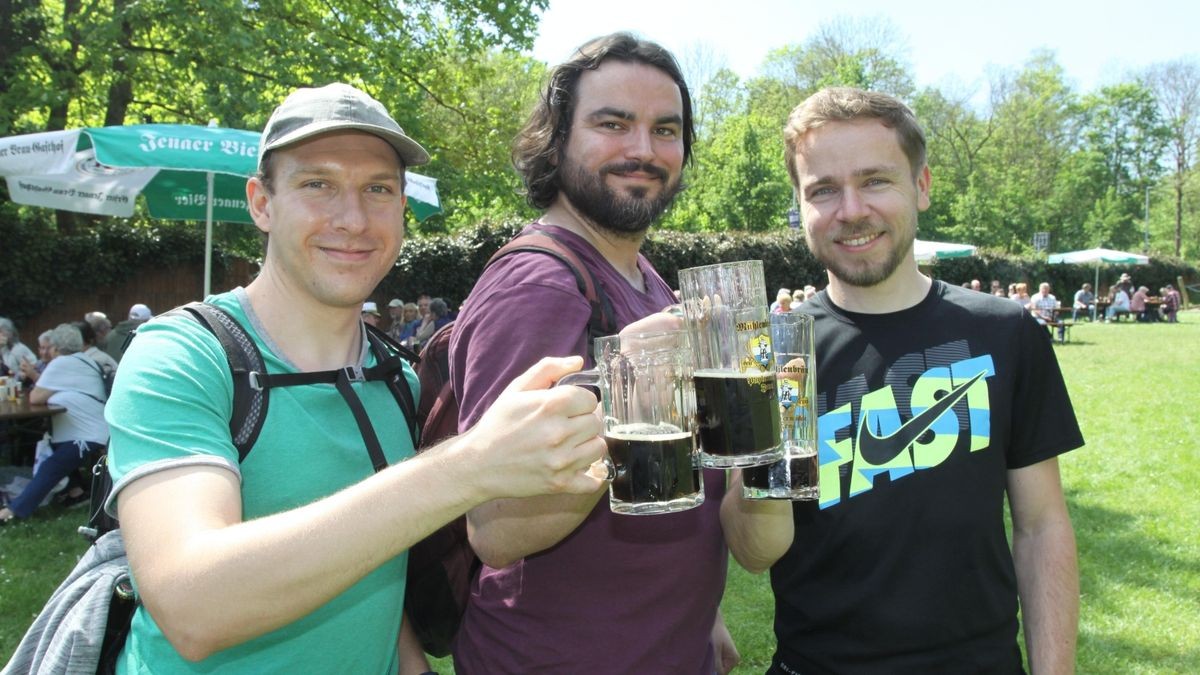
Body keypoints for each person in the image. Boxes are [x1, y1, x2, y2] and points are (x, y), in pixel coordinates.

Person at [103, 82, 609, 673]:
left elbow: (370, 566)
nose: (353, 219)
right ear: (261, 203)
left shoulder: (394, 374)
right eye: (318, 184)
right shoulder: (184, 356)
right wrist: (470, 465)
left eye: (378, 190)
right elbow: (192, 605)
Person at [448, 33, 792, 674]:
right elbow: (495, 529)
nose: (643, 149)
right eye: (613, 124)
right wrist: (615, 384)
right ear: (558, 139)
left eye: (666, 129)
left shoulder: (647, 278)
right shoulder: (539, 285)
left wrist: (699, 611)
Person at [776, 86, 1082, 673]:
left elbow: (1042, 525)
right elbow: (749, 540)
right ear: (800, 206)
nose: (851, 210)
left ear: (921, 186)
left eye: (875, 180)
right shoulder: (775, 353)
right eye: (823, 190)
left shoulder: (1007, 333)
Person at [0, 324, 108, 524]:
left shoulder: (62, 363)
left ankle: (14, 511)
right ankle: (75, 492)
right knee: (47, 449)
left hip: (88, 435)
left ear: (55, 348)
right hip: (88, 429)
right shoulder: (85, 361)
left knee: (52, 464)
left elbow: (35, 397)